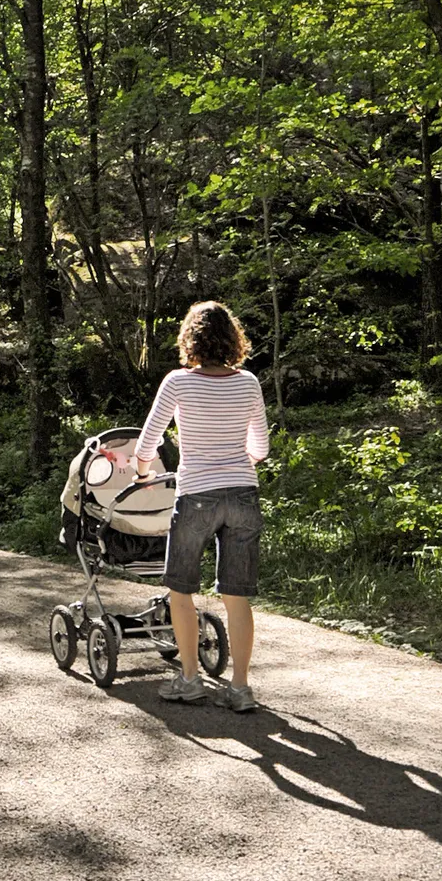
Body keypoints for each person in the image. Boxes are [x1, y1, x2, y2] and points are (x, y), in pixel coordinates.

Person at [134, 300, 269, 710]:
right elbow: (260, 448)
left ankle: (190, 679)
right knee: (236, 595)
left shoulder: (178, 382)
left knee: (181, 589)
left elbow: (147, 443)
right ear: (233, 338)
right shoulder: (248, 383)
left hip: (195, 496)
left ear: (190, 339)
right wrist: (236, 454)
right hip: (243, 493)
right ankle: (240, 687)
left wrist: (143, 474)